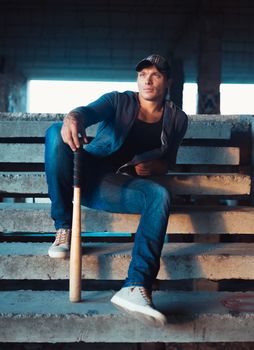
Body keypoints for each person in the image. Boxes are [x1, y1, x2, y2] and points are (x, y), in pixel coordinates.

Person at [45, 54, 188, 326]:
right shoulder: (118, 100)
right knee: (54, 132)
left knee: (158, 195)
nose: (147, 79)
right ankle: (64, 227)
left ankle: (135, 286)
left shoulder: (177, 119)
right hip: (81, 171)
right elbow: (86, 113)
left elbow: (167, 163)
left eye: (156, 74)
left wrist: (154, 166)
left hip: (112, 185)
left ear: (167, 81)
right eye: (143, 73)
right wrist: (73, 118)